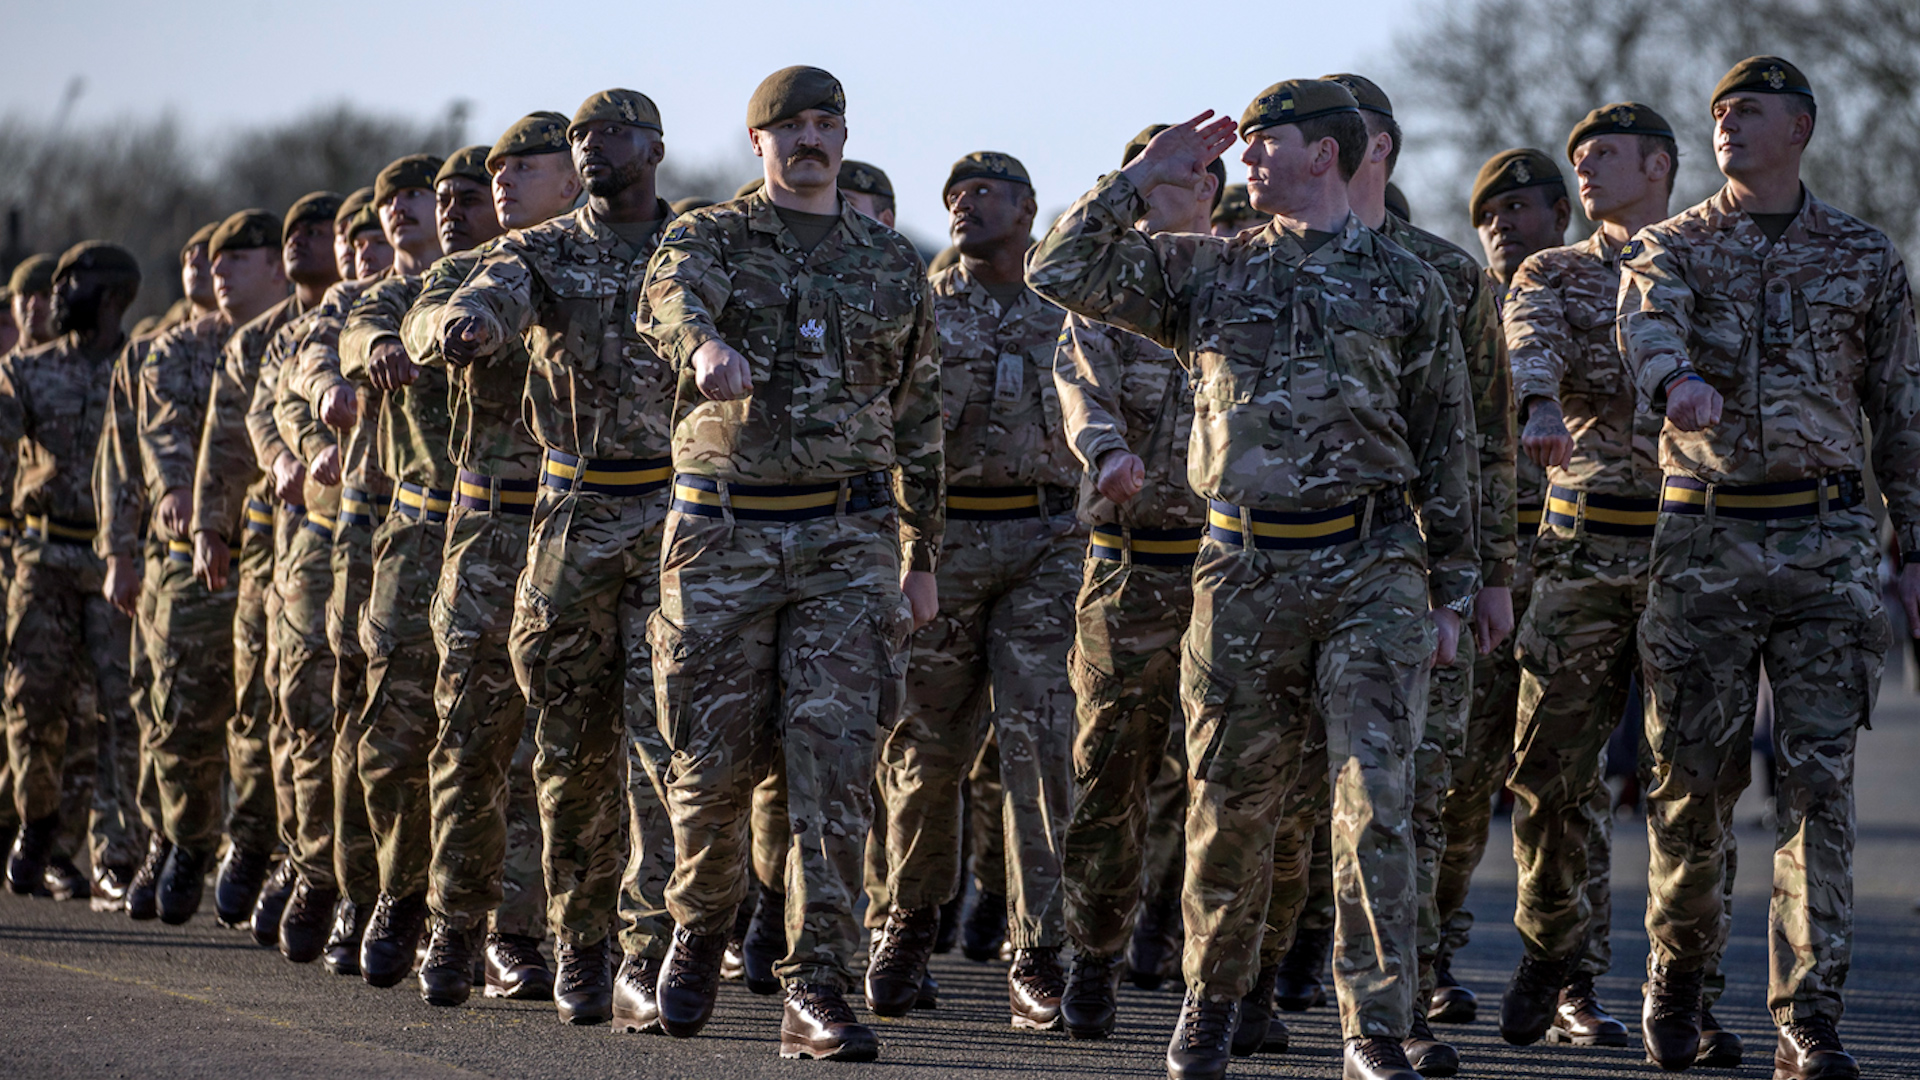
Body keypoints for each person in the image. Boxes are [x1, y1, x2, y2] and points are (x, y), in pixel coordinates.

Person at [1026, 83, 1475, 1080]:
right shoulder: (1208, 272)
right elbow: (1059, 269)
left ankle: (1373, 1026)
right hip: (1242, 569)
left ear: (1329, 154)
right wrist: (1140, 177)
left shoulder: (1408, 284)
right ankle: (1211, 1005)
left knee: (1375, 802)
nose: (1247, 158)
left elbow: (1449, 447)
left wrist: (1455, 586)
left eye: (1268, 141)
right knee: (1230, 800)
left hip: (1372, 566)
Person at [1619, 56, 1920, 1079]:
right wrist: (1676, 381)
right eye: (1716, 114)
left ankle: (1809, 1012)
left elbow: (1902, 414)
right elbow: (1645, 324)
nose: (1726, 126)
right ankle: (1681, 974)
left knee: (1819, 783)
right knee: (1693, 781)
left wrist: (1912, 549)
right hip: (1705, 540)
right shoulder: (1672, 245)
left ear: (1801, 126)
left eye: (1747, 111)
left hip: (1830, 543)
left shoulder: (1866, 257)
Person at [638, 65, 941, 1062]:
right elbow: (668, 296)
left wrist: (921, 555)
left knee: (835, 767)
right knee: (712, 762)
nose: (810, 140)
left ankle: (818, 987)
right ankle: (696, 932)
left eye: (826, 124)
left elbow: (920, 418)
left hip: (848, 546)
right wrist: (704, 347)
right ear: (758, 141)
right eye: (791, 127)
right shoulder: (712, 239)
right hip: (724, 538)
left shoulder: (891, 263)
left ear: (844, 138)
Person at [441, 88, 680, 1028]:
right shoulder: (541, 249)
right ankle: (580, 943)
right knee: (571, 749)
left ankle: (649, 945)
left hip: (676, 512)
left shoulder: (700, 244)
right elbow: (486, 297)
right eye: (579, 137)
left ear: (655, 148)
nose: (593, 149)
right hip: (575, 513)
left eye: (613, 135)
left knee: (667, 744)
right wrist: (471, 327)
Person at [869, 150, 1073, 1032]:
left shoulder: (1071, 309)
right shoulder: (917, 305)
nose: (964, 203)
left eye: (986, 191)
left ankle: (1039, 949)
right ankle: (908, 925)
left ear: (1028, 209)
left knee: (1040, 745)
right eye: (954, 193)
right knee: (924, 751)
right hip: (939, 545)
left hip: (1048, 542)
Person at [1495, 102, 1675, 1055]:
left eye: (1604, 154)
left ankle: (1674, 991)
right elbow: (1531, 341)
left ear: (1660, 165)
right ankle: (1550, 949)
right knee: (1550, 774)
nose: (1586, 169)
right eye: (1579, 157)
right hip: (1582, 544)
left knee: (1691, 784)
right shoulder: (1553, 271)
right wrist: (1536, 402)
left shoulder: (1706, 260)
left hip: (1694, 547)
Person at [1052, 123, 1221, 1042]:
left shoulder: (1241, 279)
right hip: (1131, 573)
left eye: (1190, 177)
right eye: (1154, 181)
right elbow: (1081, 386)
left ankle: (1222, 977)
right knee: (1111, 775)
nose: (1176, 192)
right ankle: (1092, 955)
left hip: (1233, 573)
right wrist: (1104, 449)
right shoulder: (1109, 297)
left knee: (1230, 785)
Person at [410, 111, 579, 1009]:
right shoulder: (466, 274)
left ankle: (531, 933)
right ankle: (454, 922)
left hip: (573, 528)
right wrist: (460, 325)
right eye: (496, 170)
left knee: (562, 749)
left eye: (526, 166)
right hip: (485, 536)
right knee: (472, 741)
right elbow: (418, 324)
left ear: (573, 177)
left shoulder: (603, 266)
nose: (502, 180)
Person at [337, 146, 497, 989]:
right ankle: (398, 891)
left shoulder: (522, 281)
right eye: (442, 199)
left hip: (513, 534)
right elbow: (363, 325)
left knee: (490, 740)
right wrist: (378, 351)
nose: (448, 211)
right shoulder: (407, 294)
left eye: (469, 197)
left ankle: (493, 922)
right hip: (419, 530)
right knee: (394, 737)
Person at [276, 160, 437, 972]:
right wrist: (326, 402)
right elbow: (301, 367)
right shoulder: (351, 304)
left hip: (450, 526)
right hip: (362, 527)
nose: (401, 211)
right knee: (355, 713)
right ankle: (340, 882)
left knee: (440, 725)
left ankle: (442, 905)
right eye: (387, 202)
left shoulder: (471, 287)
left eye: (415, 198)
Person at [188, 192, 343, 928]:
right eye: (293, 233)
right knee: (271, 703)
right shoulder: (268, 340)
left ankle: (322, 858)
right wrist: (208, 527)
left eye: (320, 231)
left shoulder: (358, 313)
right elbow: (233, 433)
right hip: (279, 538)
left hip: (360, 533)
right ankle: (266, 842)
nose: (302, 243)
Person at [0, 244, 143, 909]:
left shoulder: (144, 368)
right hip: (44, 558)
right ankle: (38, 820)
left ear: (112, 294)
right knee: (35, 702)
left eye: (71, 281)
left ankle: (116, 855)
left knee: (121, 711)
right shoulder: (24, 371)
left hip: (121, 562)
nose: (56, 293)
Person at [97, 227, 223, 919]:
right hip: (168, 555)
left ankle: (217, 844)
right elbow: (120, 465)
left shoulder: (253, 342)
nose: (206, 269)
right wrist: (120, 552)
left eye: (221, 258)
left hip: (245, 549)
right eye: (194, 258)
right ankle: (163, 839)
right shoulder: (151, 354)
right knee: (161, 708)